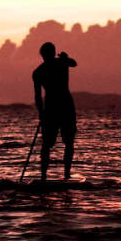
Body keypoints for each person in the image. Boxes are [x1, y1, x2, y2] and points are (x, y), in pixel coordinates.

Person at [32, 42, 77, 181]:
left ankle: (53, 176)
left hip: (57, 108)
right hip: (59, 107)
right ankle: (60, 176)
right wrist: (41, 113)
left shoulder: (44, 69)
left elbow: (73, 63)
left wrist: (41, 112)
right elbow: (38, 96)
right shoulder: (46, 69)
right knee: (58, 143)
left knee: (58, 143)